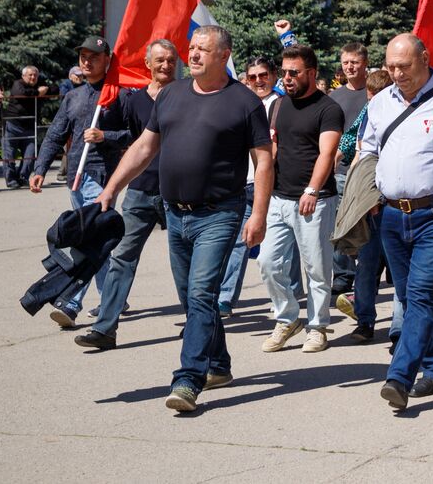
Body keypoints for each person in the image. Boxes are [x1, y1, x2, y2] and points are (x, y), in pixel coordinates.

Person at [95, 25, 273, 413]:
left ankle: (188, 379)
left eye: (202, 50)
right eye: (191, 48)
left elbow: (263, 162)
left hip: (220, 214)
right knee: (194, 299)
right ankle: (220, 364)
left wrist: (258, 214)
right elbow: (145, 147)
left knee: (200, 295)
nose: (192, 55)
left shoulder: (244, 102)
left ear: (223, 56)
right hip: (175, 215)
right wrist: (111, 189)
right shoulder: (171, 94)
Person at [358, 34, 433, 409]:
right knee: (410, 298)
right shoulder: (379, 103)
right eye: (391, 67)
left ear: (425, 59)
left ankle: (399, 375)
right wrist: (368, 192)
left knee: (422, 296)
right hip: (392, 215)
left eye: (404, 66)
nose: (397, 74)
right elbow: (367, 148)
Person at [75, 40, 177, 350]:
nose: (165, 65)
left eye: (171, 60)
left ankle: (201, 327)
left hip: (177, 192)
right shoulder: (132, 101)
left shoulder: (186, 96)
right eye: (159, 60)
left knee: (184, 264)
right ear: (148, 63)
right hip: (140, 191)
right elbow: (125, 138)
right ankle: (105, 328)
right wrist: (103, 135)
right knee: (121, 258)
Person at [29, 37, 127, 326]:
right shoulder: (73, 96)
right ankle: (112, 297)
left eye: (93, 56)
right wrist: (40, 167)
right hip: (76, 177)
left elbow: (138, 134)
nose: (87, 61)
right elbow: (56, 134)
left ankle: (71, 301)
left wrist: (105, 136)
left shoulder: (119, 94)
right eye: (83, 56)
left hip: (103, 178)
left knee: (86, 239)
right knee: (95, 240)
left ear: (107, 59)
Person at [258, 45, 345, 355]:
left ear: (311, 73)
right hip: (278, 198)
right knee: (267, 262)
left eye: (293, 72)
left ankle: (318, 326)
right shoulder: (278, 106)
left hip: (315, 200)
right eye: (284, 72)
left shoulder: (328, 109)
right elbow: (273, 149)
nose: (287, 78)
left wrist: (312, 189)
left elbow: (327, 153)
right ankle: (287, 318)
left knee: (317, 269)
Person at [219, 56, 292, 316]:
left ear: (273, 75)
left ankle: (286, 296)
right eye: (252, 77)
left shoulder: (283, 104)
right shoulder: (242, 105)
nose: (258, 81)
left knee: (281, 247)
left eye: (263, 75)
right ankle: (225, 298)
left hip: (276, 185)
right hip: (244, 184)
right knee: (241, 241)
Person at [335, 67, 395, 342]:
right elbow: (355, 147)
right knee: (368, 262)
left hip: (398, 200)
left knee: (399, 267)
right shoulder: (368, 114)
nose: (372, 101)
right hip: (372, 200)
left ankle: (400, 326)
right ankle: (365, 319)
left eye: (375, 96)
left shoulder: (402, 111)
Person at [328, 40, 371, 298]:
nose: (350, 67)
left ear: (364, 63)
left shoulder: (377, 93)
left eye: (354, 62)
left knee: (366, 225)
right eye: (345, 63)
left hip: (369, 170)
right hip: (342, 170)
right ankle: (343, 278)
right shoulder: (336, 96)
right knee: (340, 224)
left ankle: (368, 274)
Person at [0, 65, 47, 188]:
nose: (33, 77)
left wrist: (45, 89)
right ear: (23, 76)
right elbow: (19, 93)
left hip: (30, 125)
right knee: (9, 153)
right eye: (30, 75)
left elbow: (53, 89)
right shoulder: (18, 83)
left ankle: (23, 177)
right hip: (13, 124)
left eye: (35, 75)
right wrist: (37, 92)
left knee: (30, 154)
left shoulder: (39, 83)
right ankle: (10, 179)